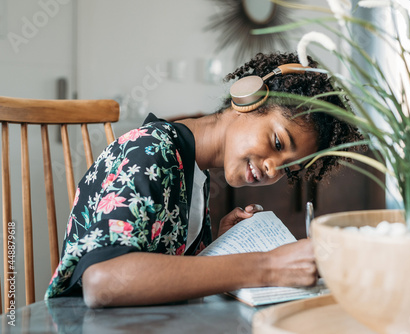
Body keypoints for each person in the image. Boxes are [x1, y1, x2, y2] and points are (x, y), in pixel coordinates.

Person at [45, 52, 363, 308]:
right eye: (278, 143)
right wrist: (267, 266)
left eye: (288, 169)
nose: (273, 170)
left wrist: (217, 248)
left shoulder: (195, 174)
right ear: (248, 100)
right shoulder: (150, 149)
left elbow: (159, 272)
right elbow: (102, 281)